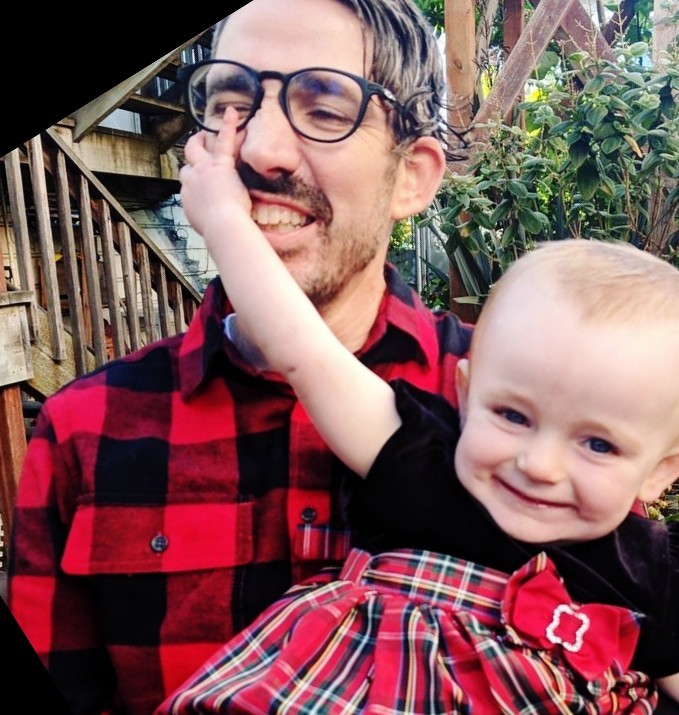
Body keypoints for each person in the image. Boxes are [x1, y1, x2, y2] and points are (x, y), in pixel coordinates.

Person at [155, 108, 679, 715]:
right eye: (513, 416)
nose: (540, 465)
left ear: (663, 469)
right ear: (466, 396)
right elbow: (302, 351)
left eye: (598, 445)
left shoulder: (654, 577)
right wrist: (223, 219)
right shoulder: (423, 466)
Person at [7, 2, 473, 714]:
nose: (259, 150)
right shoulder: (83, 430)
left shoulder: (513, 411)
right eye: (230, 103)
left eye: (324, 109)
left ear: (411, 175)